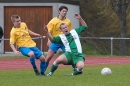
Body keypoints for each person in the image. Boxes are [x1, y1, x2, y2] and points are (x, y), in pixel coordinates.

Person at [45, 6, 76, 70]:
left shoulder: (68, 21)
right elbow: (49, 31)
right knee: (48, 57)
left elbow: (70, 31)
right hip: (55, 41)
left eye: (66, 11)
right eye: (63, 11)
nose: (64, 12)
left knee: (71, 55)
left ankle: (75, 69)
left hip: (65, 41)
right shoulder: (53, 21)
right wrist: (49, 40)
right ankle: (43, 71)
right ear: (59, 11)